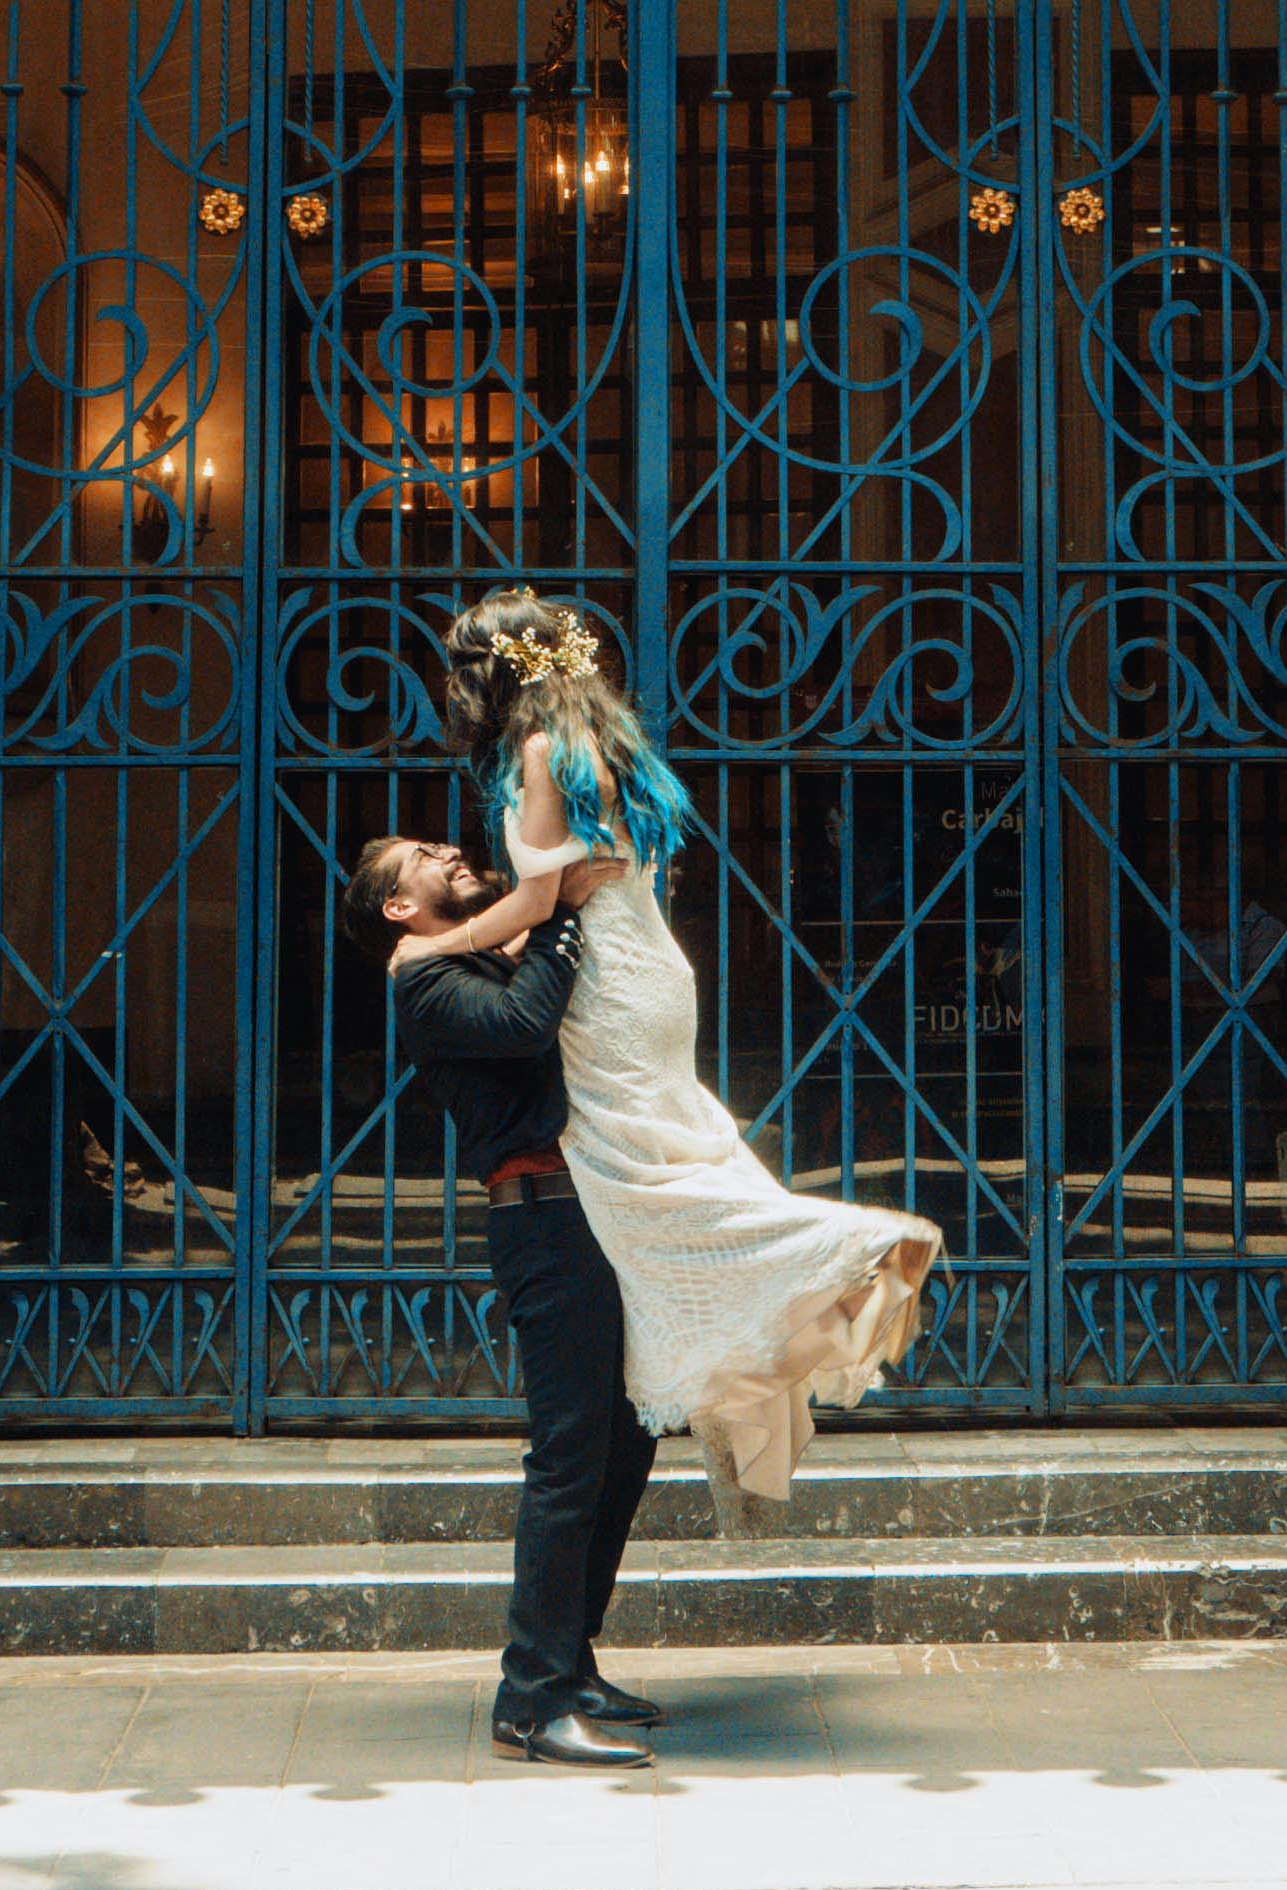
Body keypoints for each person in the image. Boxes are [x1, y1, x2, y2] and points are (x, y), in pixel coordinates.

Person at [436, 588, 939, 1517]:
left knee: (636, 1185)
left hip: (610, 989)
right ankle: (791, 1269)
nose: (461, 689)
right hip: (651, 976)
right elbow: (575, 889)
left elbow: (542, 904)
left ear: (502, 674)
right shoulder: (604, 742)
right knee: (673, 1153)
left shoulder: (542, 751)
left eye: (469, 669)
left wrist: (435, 946)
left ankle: (846, 1246)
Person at [344, 834, 660, 1769]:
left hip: (594, 1217)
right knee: (569, 1456)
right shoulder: (423, 984)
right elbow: (526, 1025)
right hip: (544, 1225)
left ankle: (572, 1659)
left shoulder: (473, 953)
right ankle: (530, 1699)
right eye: (420, 859)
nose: (447, 850)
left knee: (625, 1441)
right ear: (398, 909)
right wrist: (558, 911)